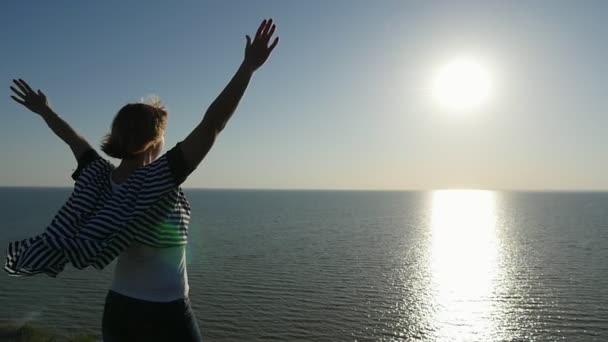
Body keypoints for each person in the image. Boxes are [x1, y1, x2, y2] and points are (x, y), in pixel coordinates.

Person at [6, 19, 279, 341]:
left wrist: (44, 111)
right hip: (169, 311)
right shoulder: (159, 178)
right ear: (155, 141)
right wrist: (247, 68)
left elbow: (73, 139)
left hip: (120, 308)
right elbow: (212, 124)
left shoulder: (98, 176)